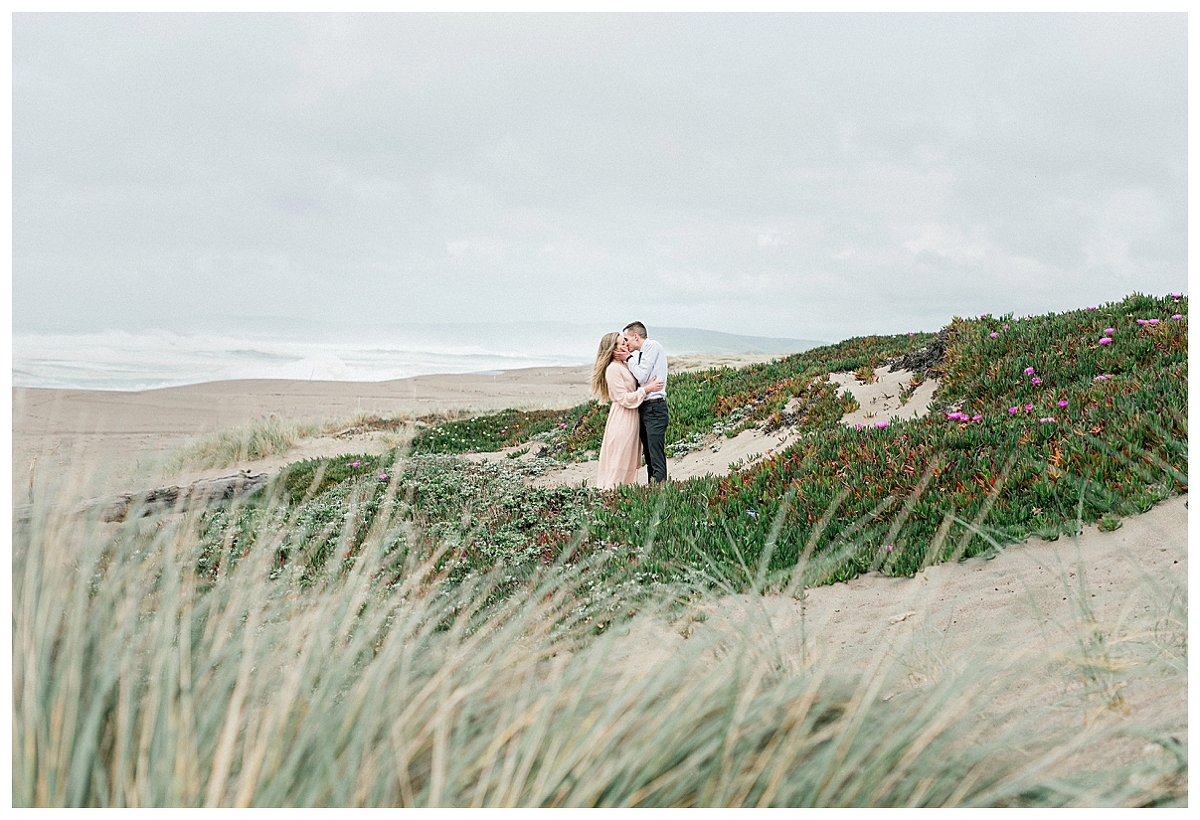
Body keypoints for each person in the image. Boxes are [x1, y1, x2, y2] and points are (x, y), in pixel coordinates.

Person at [591, 332, 664, 491]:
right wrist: (646, 390)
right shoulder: (613, 369)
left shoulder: (625, 364)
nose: (625, 346)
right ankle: (611, 493)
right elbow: (623, 398)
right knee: (620, 458)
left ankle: (622, 493)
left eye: (625, 342)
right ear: (613, 349)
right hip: (622, 418)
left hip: (632, 417)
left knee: (628, 459)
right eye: (621, 344)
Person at [622, 321, 669, 483]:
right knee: (648, 454)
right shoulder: (640, 354)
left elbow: (642, 376)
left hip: (655, 407)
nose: (625, 343)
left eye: (626, 339)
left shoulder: (652, 346)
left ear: (636, 336)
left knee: (655, 453)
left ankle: (661, 489)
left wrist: (628, 358)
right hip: (645, 408)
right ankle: (653, 489)